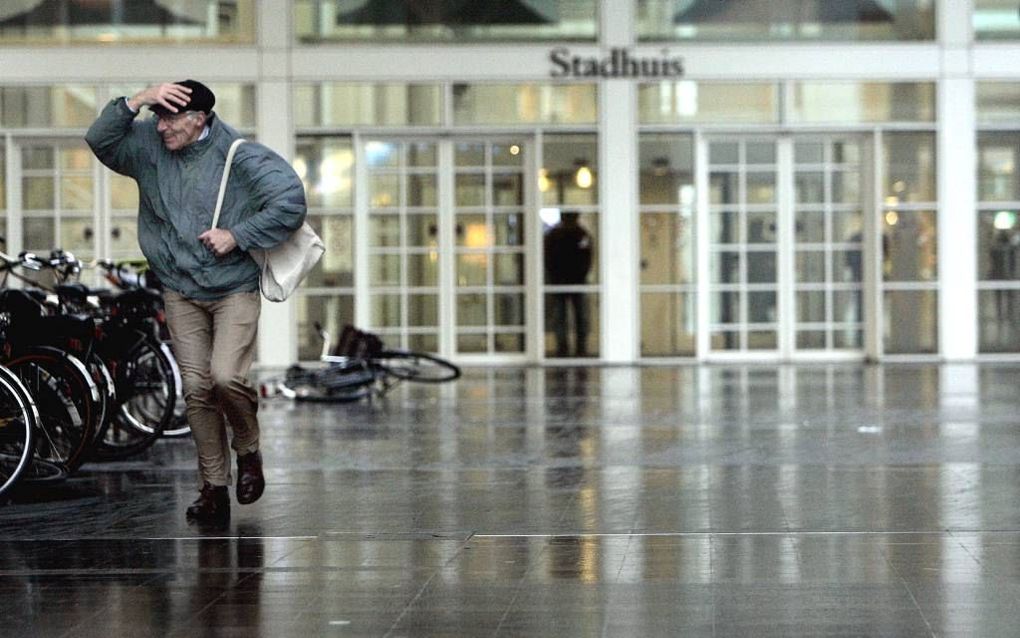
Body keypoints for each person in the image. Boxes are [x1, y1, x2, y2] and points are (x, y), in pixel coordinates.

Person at [85, 80, 307, 522]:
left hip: (233, 289)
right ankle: (213, 487)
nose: (161, 127)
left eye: (171, 119)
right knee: (196, 389)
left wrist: (237, 235)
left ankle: (249, 450)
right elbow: (100, 139)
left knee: (225, 376)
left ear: (199, 119)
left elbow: (290, 201)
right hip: (180, 287)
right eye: (158, 117)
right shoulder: (150, 145)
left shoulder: (238, 154)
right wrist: (140, 99)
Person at [544, 211, 593, 357]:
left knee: (575, 316)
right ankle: (566, 348)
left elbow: (588, 257)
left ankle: (577, 348)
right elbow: (547, 258)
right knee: (563, 316)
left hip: (572, 281)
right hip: (564, 281)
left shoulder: (580, 234)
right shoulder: (555, 235)